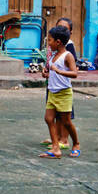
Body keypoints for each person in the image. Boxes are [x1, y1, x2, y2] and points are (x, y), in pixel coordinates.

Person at [41, 25, 80, 158]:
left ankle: (76, 143)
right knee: (48, 118)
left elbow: (74, 73)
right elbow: (52, 72)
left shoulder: (67, 56)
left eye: (50, 40)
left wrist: (58, 71)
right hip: (52, 92)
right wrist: (47, 74)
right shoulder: (53, 55)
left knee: (67, 122)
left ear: (58, 42)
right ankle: (55, 148)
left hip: (64, 93)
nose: (48, 43)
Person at [51, 17, 78, 151]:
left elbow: (74, 69)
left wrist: (59, 71)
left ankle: (65, 139)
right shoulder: (53, 48)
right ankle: (55, 138)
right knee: (52, 116)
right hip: (52, 87)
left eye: (64, 29)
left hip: (63, 87)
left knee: (65, 117)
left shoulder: (69, 48)